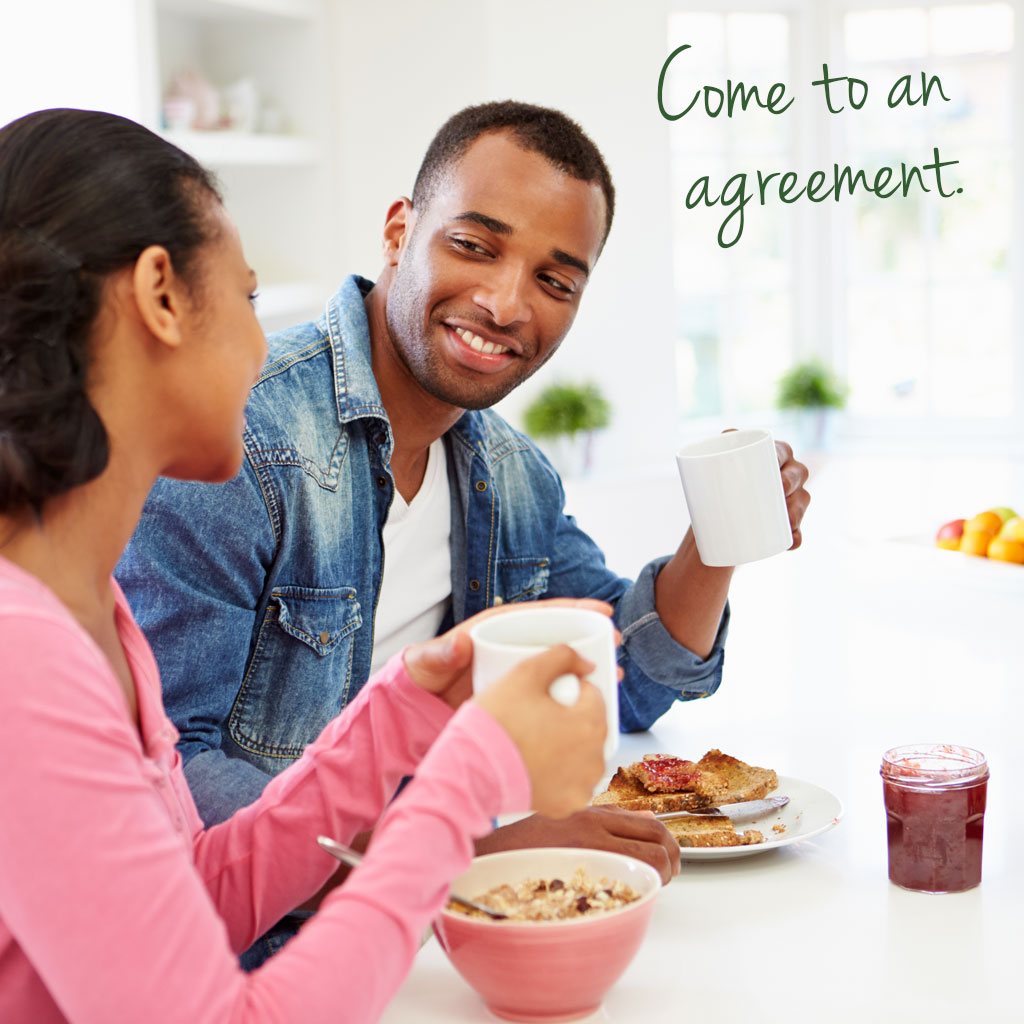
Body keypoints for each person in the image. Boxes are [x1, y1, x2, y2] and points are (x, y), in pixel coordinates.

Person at [117, 100, 809, 962]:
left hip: (429, 938)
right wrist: (453, 861)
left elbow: (621, 680)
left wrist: (717, 546)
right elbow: (173, 776)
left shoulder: (512, 477)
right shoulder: (239, 441)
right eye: (475, 245)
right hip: (263, 949)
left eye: (556, 281)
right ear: (401, 232)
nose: (505, 301)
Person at [0, 107, 616, 1024]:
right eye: (247, 301)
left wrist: (403, 712)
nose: (264, 346)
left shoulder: (91, 619)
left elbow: (192, 894)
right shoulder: (25, 658)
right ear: (162, 295)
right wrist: (469, 781)